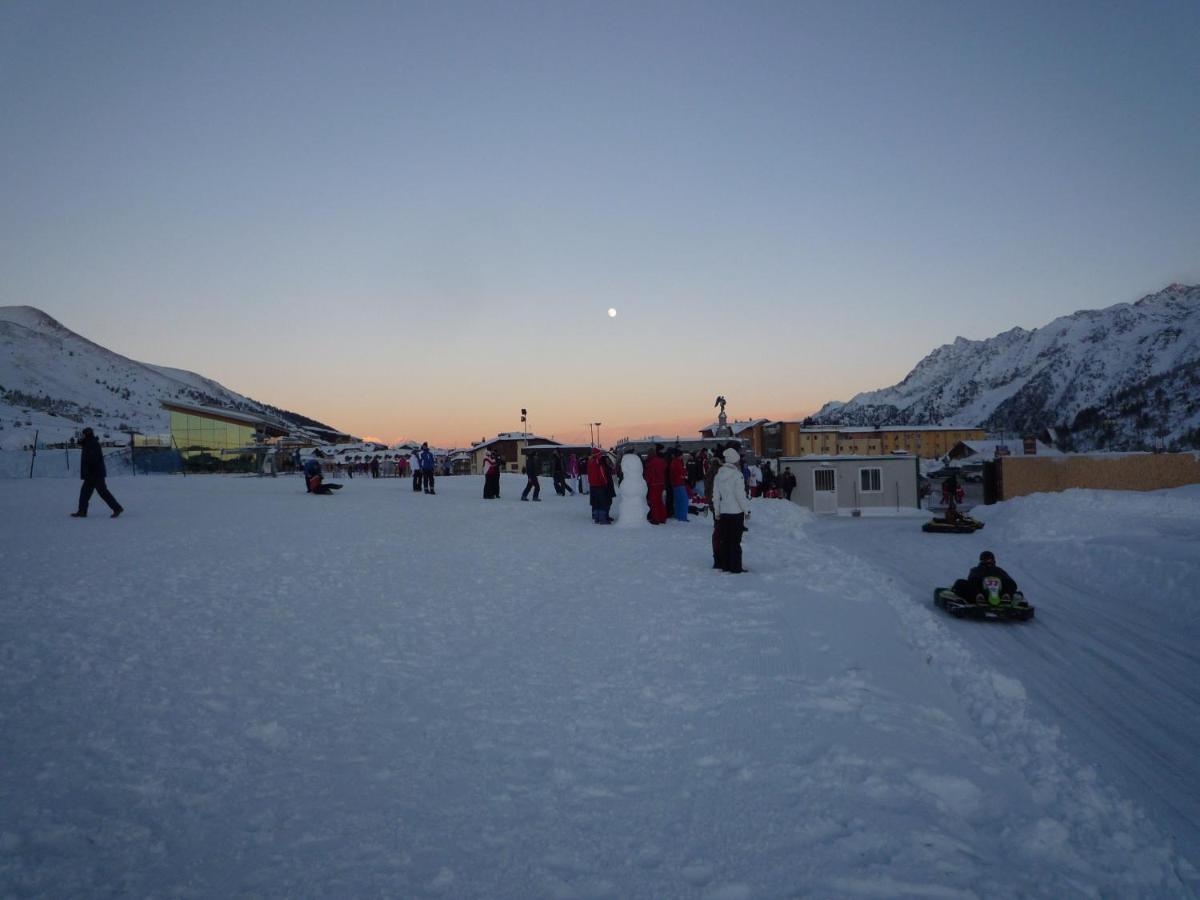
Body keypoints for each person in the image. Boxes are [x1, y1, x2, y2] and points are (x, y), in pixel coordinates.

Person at [712, 447, 751, 573]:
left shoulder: (718, 475)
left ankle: (725, 565)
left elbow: (716, 496)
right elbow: (740, 495)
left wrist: (717, 512)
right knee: (735, 541)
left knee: (725, 540)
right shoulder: (737, 475)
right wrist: (746, 510)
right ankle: (736, 567)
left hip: (724, 512)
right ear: (735, 461)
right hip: (736, 512)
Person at [70, 427, 123, 518]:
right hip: (90, 475)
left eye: (83, 434)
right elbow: (81, 443)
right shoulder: (88, 443)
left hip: (96, 474)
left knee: (103, 492)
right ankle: (82, 511)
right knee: (84, 493)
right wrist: (80, 440)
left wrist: (91, 473)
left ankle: (117, 508)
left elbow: (94, 460)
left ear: (87, 434)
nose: (82, 436)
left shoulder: (93, 444)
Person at [953, 550, 1019, 601]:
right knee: (960, 582)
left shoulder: (998, 570)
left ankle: (1006, 596)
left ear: (993, 560)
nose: (988, 561)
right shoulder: (976, 569)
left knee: (1011, 584)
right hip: (981, 592)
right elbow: (972, 581)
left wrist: (1007, 591)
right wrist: (978, 590)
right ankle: (978, 597)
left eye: (989, 560)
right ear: (982, 561)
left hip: (998, 593)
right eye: (985, 560)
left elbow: (1010, 582)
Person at [587, 447, 613, 523]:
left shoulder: (590, 461)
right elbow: (602, 474)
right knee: (602, 502)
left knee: (596, 502)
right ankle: (602, 519)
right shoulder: (598, 461)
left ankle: (596, 518)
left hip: (592, 485)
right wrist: (605, 482)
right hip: (600, 484)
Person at [643, 444, 668, 525]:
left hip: (653, 484)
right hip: (661, 483)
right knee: (660, 501)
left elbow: (648, 475)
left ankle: (655, 519)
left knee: (654, 502)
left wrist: (645, 482)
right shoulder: (661, 461)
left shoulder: (650, 462)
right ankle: (663, 518)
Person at [669, 448, 688, 522]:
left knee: (677, 501)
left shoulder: (673, 462)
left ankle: (678, 515)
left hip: (675, 484)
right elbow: (682, 472)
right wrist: (685, 474)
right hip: (679, 483)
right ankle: (682, 517)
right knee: (684, 500)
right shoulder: (677, 462)